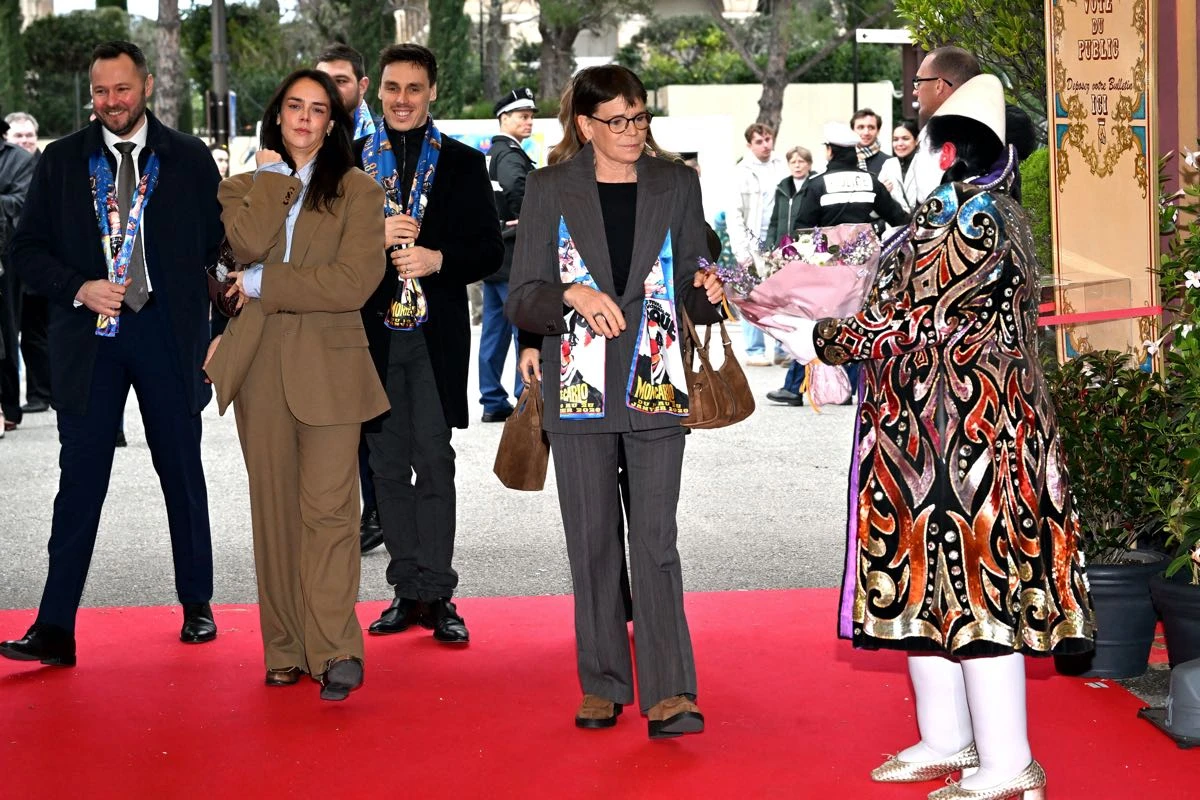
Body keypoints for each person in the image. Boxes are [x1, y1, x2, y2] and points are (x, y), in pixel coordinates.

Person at [768, 74, 1095, 800]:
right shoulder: (954, 212)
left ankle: (1010, 763)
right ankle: (947, 739)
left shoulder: (980, 218)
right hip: (926, 434)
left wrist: (820, 336)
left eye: (938, 138)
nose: (926, 146)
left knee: (976, 590)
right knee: (925, 583)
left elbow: (930, 318)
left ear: (956, 150)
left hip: (970, 436)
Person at [506, 64, 725, 739]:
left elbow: (693, 273)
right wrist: (571, 295)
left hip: (658, 382)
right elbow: (523, 295)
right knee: (594, 541)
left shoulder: (678, 183)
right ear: (586, 126)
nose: (633, 131)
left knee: (656, 541)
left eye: (640, 118)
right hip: (579, 387)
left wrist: (707, 294)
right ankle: (602, 682)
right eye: (618, 121)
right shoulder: (549, 189)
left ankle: (670, 692)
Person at [0, 41, 223, 667]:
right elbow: (26, 253)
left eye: (122, 90)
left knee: (182, 470)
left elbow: (218, 246)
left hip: (167, 337)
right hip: (89, 339)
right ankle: (54, 626)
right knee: (79, 482)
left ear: (146, 87)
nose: (111, 103)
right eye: (100, 91)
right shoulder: (62, 161)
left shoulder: (188, 159)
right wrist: (79, 287)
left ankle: (197, 602)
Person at [205, 69, 388, 701]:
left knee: (333, 513)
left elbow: (352, 283)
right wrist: (273, 179)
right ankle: (283, 648)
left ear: (333, 123)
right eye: (294, 107)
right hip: (259, 366)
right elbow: (249, 242)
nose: (305, 118)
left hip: (334, 369)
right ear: (277, 116)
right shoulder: (241, 188)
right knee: (274, 515)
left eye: (318, 109)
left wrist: (261, 286)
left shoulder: (361, 193)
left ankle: (336, 647)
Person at [359, 43, 503, 645]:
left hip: (433, 336)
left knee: (434, 460)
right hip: (368, 339)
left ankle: (439, 593)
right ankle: (404, 590)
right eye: (392, 88)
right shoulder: (349, 166)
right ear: (378, 92)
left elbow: (491, 252)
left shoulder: (466, 164)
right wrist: (374, 240)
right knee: (386, 466)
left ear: (433, 92)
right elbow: (324, 253)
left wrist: (439, 258)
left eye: (413, 89)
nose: (401, 100)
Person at [315, 42, 384, 553]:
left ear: (361, 86)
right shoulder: (302, 135)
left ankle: (379, 509)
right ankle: (346, 509)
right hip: (323, 297)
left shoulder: (385, 143)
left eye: (341, 80)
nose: (331, 89)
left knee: (375, 414)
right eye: (324, 79)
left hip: (383, 297)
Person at [481, 87, 537, 424]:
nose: (529, 121)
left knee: (494, 330)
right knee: (521, 328)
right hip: (514, 252)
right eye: (522, 116)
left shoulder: (495, 151)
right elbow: (518, 188)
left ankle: (491, 397)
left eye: (530, 116)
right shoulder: (511, 155)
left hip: (496, 255)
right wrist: (529, 214)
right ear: (505, 118)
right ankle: (523, 394)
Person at [727, 122, 788, 366]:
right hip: (752, 242)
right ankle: (755, 350)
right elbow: (735, 214)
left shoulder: (781, 166)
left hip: (778, 241)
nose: (765, 145)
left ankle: (783, 347)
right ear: (749, 145)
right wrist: (741, 250)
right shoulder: (741, 172)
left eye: (768, 140)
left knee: (783, 296)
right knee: (752, 296)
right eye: (759, 141)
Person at [764, 145, 815, 407]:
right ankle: (794, 383)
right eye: (793, 161)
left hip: (806, 255)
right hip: (784, 255)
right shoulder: (783, 187)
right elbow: (775, 220)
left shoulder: (815, 185)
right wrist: (772, 247)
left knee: (803, 318)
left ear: (809, 164)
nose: (797, 165)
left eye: (801, 161)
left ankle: (796, 386)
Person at [795, 122, 908, 229]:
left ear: (830, 151)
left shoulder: (817, 184)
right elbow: (898, 219)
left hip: (828, 249)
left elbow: (803, 228)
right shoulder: (870, 181)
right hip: (865, 248)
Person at [0, 114, 33, 434]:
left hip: (5, 258)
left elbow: (21, 204)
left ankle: (8, 405)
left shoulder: (19, 161)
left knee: (7, 333)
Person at [877, 120, 920, 213]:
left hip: (921, 223)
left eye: (905, 138)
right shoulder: (888, 165)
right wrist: (882, 193)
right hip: (894, 225)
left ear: (916, 141)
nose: (900, 144)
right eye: (895, 139)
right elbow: (876, 207)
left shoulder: (925, 164)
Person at [850, 108, 887, 175]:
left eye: (871, 128)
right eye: (861, 127)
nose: (866, 133)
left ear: (878, 131)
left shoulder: (889, 162)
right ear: (853, 130)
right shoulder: (840, 160)